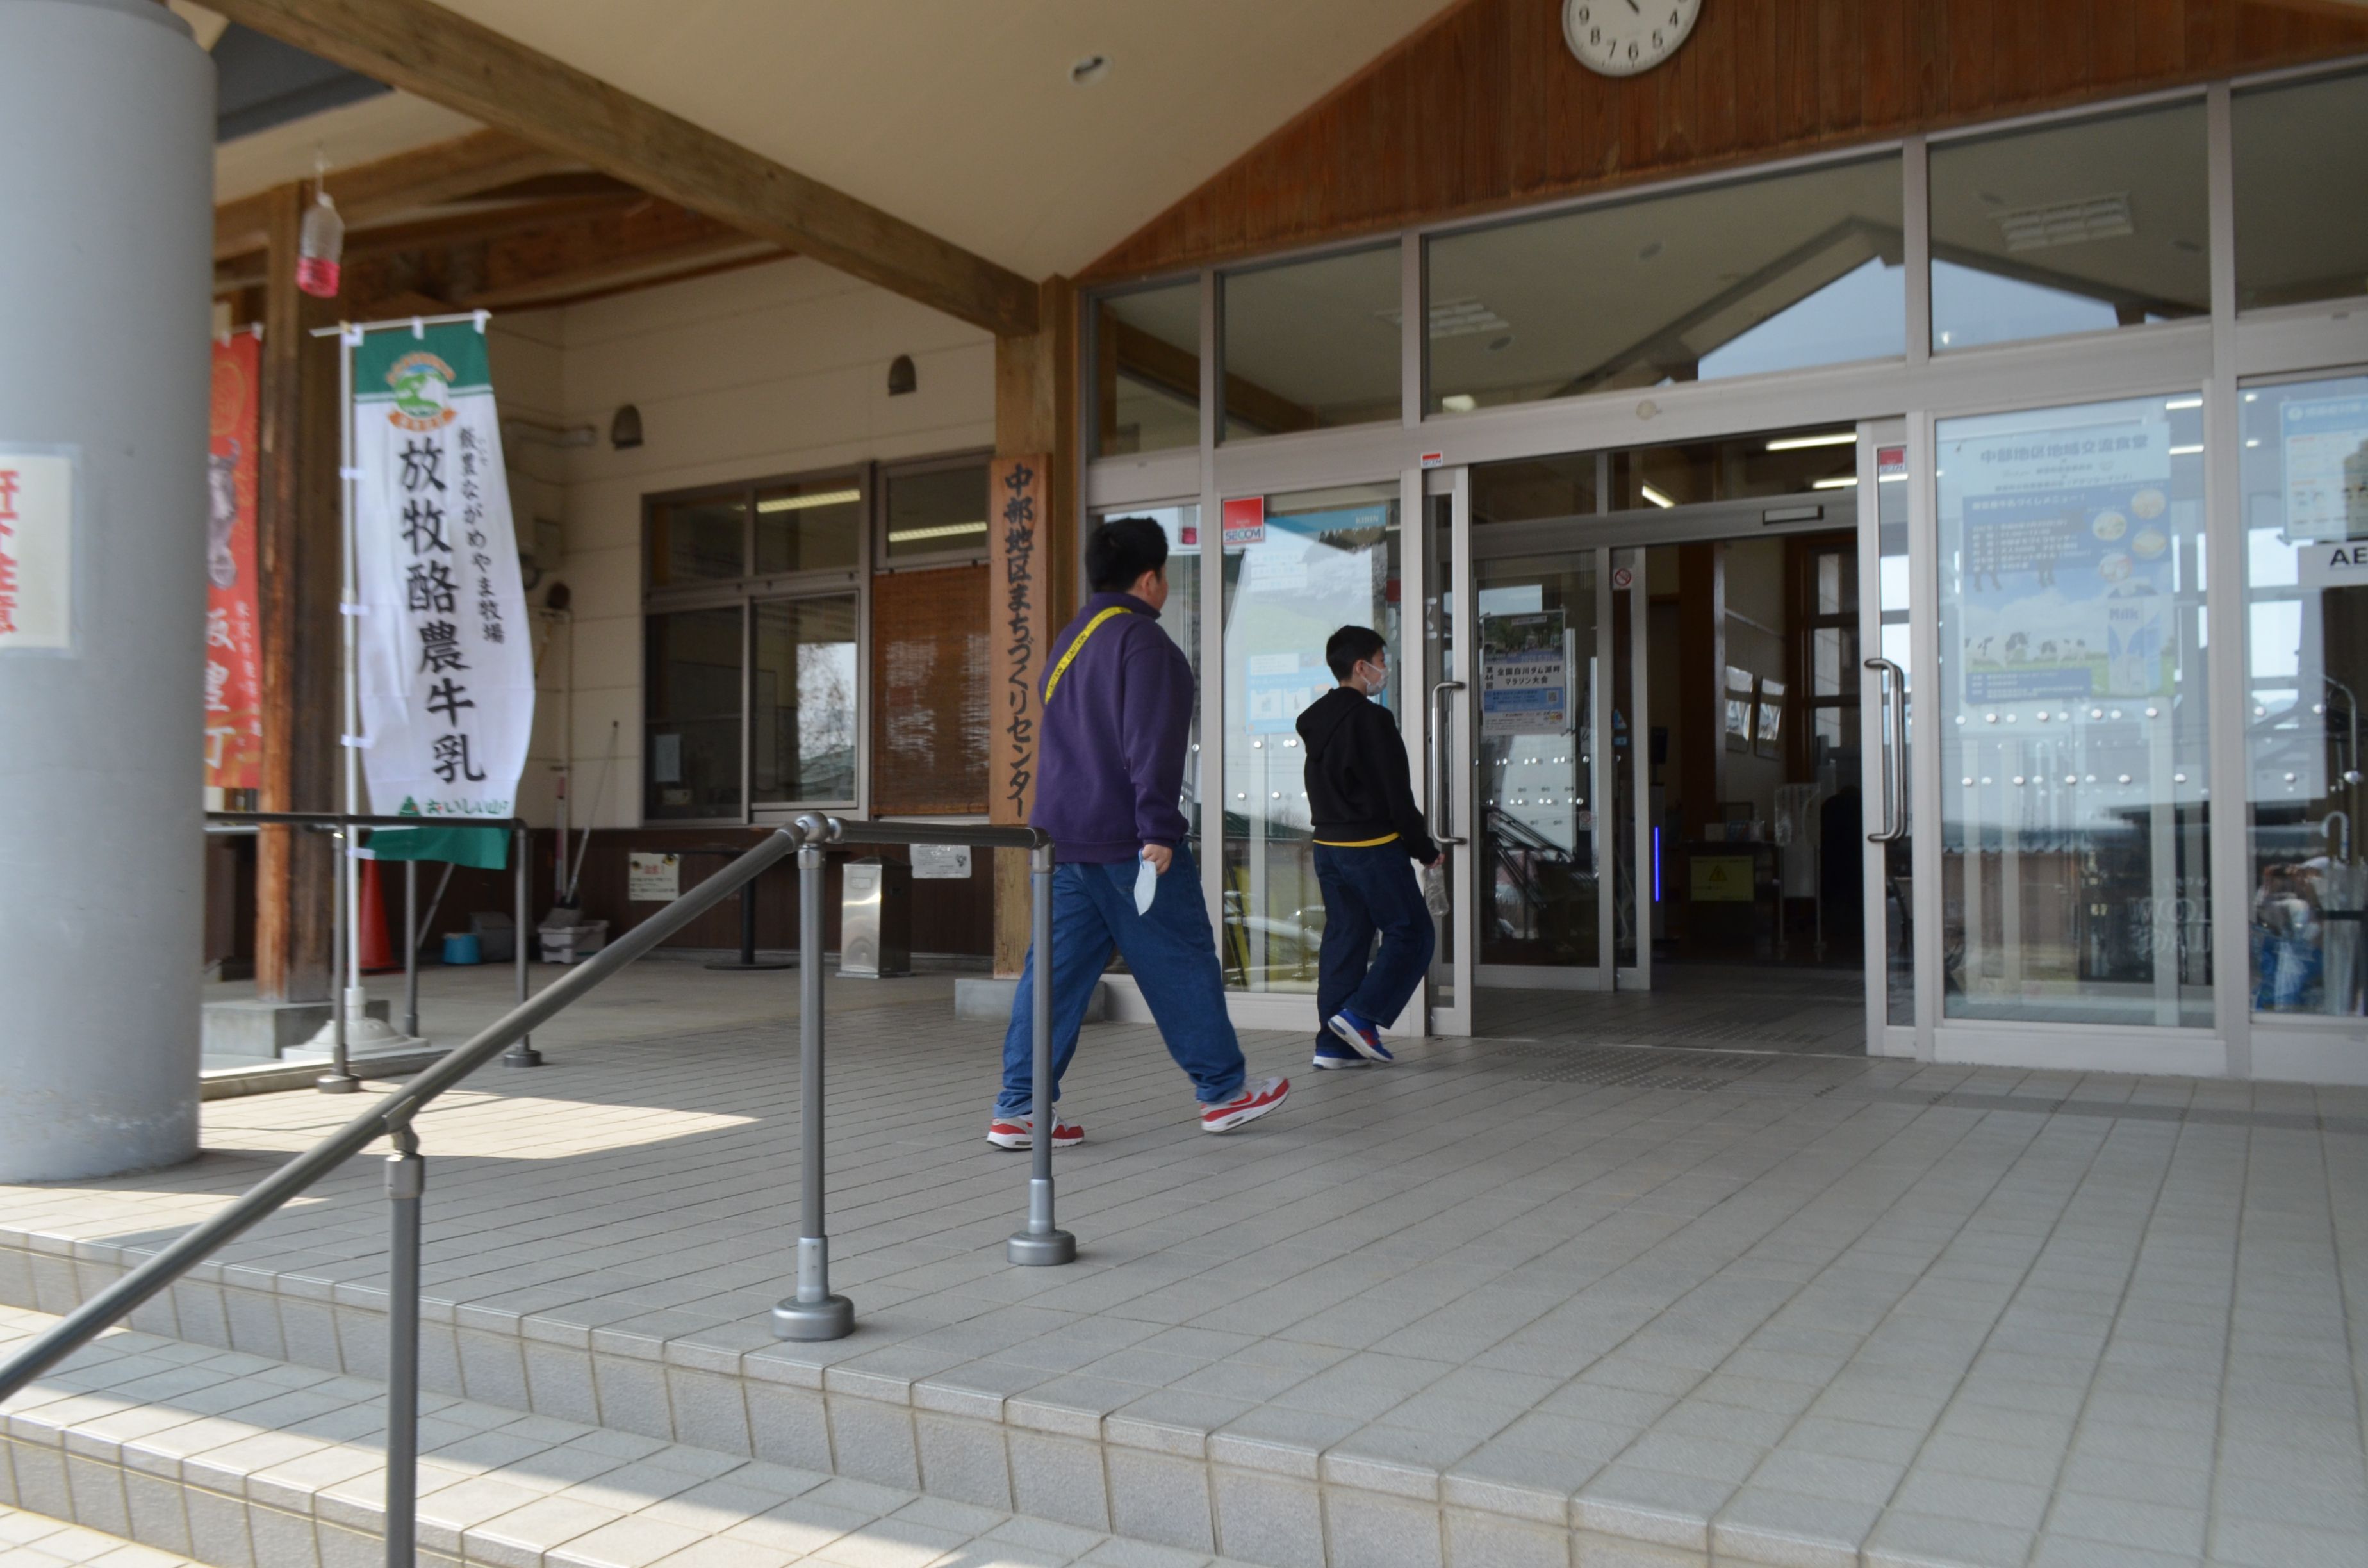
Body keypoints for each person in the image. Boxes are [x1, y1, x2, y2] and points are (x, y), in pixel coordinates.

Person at [989, 517, 1289, 1148]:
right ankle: (1224, 1093)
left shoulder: (1070, 640)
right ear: (1152, 579)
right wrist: (1157, 825)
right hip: (1131, 842)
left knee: (1052, 977)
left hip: (1064, 844)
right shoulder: (1143, 643)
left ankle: (1019, 1108)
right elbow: (1150, 745)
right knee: (1180, 960)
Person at [1296, 626, 1439, 1069]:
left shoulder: (1315, 720)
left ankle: (1333, 1047)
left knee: (1346, 938)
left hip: (1328, 847)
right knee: (1412, 933)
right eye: (1381, 658)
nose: (1385, 668)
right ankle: (1361, 1016)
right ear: (1362, 667)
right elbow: (1396, 795)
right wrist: (1423, 848)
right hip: (1372, 846)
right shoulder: (1373, 719)